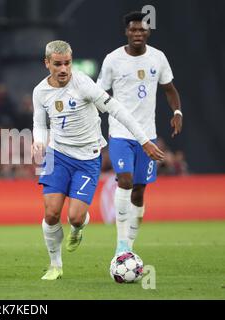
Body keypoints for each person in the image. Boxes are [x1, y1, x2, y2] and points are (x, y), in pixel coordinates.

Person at [32, 40, 164, 280]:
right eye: (58, 64)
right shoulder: (40, 91)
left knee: (75, 217)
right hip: (58, 155)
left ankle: (78, 227)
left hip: (87, 158)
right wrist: (39, 141)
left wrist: (144, 140)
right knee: (51, 213)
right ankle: (55, 265)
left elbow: (118, 110)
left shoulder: (83, 84)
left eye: (67, 63)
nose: (63, 69)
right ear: (47, 64)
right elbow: (40, 124)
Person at [97, 11, 182, 255]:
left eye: (142, 30)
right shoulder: (113, 60)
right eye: (133, 30)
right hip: (120, 133)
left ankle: (129, 247)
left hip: (148, 134)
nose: (137, 34)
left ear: (148, 32)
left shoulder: (158, 58)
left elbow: (170, 89)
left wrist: (178, 112)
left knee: (139, 190)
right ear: (126, 32)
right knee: (124, 179)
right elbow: (99, 93)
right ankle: (120, 245)